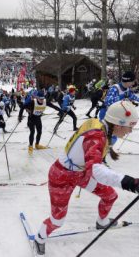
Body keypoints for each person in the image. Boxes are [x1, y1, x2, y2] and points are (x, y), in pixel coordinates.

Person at [34, 100, 139, 255]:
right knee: (58, 221)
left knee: (110, 195)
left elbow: (93, 162)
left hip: (80, 174)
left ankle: (102, 222)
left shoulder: (102, 126)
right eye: (130, 126)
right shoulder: (96, 135)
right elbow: (95, 170)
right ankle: (39, 237)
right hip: (61, 176)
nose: (130, 131)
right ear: (118, 124)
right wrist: (129, 182)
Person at [18, 90, 47, 155]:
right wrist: (20, 116)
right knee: (32, 131)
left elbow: (50, 105)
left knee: (39, 131)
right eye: (40, 98)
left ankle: (37, 144)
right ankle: (30, 146)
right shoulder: (30, 100)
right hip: (31, 117)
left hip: (37, 117)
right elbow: (23, 106)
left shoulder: (39, 99)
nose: (42, 100)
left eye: (43, 99)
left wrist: (60, 111)